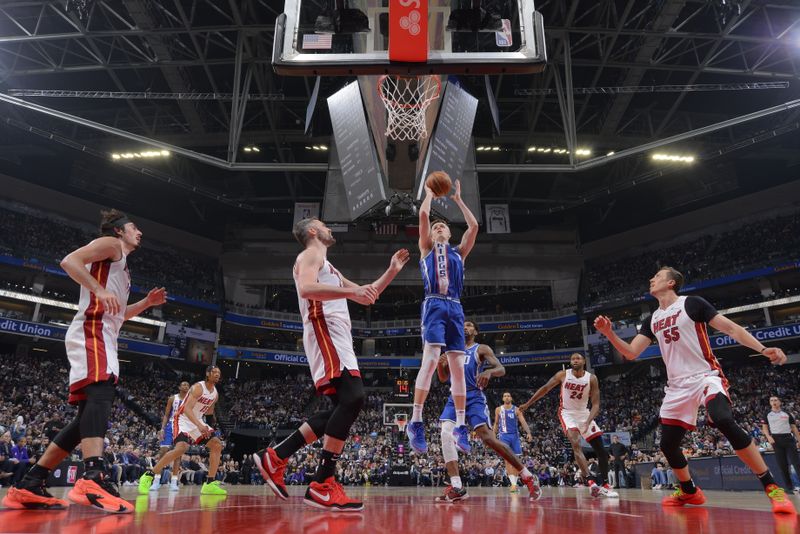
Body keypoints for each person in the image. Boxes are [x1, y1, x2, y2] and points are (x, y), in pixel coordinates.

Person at [593, 266, 796, 515]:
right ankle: (689, 491)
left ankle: (771, 487)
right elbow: (631, 353)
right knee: (668, 445)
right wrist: (609, 333)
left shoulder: (692, 304)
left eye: (656, 277)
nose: (651, 279)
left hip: (704, 376)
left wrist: (763, 349)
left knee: (722, 419)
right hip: (677, 386)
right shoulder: (652, 319)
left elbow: (731, 329)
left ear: (671, 283)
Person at [2, 209, 166, 513]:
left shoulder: (122, 263)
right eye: (134, 227)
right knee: (101, 393)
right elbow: (69, 261)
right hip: (92, 330)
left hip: (105, 334)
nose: (139, 232)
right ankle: (93, 477)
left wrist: (145, 303)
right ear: (119, 231)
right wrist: (99, 289)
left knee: (83, 422)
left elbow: (119, 313)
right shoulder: (110, 244)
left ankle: (29, 484)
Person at [252, 217, 409, 511]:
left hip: (338, 336)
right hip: (325, 330)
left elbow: (366, 295)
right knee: (354, 398)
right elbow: (308, 290)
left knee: (342, 406)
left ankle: (276, 457)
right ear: (313, 231)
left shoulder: (330, 267)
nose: (330, 229)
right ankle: (322, 482)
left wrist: (391, 272)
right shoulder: (309, 254)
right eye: (325, 226)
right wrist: (351, 292)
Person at [407, 178, 479, 455]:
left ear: (449, 234)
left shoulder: (459, 252)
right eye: (436, 227)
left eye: (443, 226)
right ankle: (416, 421)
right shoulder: (426, 248)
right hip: (434, 304)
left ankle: (462, 426)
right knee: (430, 359)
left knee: (458, 367)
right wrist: (427, 194)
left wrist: (459, 200)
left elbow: (473, 227)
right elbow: (424, 214)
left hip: (456, 307)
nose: (438, 227)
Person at [434, 321, 541, 503]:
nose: (465, 327)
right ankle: (457, 486)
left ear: (475, 331)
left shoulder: (480, 348)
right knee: (445, 432)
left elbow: (501, 368)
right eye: (463, 325)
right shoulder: (452, 350)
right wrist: (440, 364)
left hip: (474, 397)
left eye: (469, 325)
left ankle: (527, 475)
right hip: (454, 398)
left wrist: (489, 372)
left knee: (488, 439)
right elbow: (443, 378)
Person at [518, 352, 616, 498]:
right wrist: (528, 403)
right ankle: (591, 482)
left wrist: (588, 421)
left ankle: (606, 484)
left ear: (584, 361)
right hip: (567, 413)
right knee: (575, 443)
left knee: (601, 451)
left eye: (578, 358)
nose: (574, 360)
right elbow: (545, 389)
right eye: (572, 359)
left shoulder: (591, 378)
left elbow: (596, 404)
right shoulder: (563, 374)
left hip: (584, 413)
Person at [138, 366, 226, 496]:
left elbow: (209, 412)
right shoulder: (198, 388)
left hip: (197, 420)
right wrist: (200, 425)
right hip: (182, 419)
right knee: (181, 448)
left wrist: (208, 427)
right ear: (208, 374)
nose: (217, 374)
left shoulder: (215, 394)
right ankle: (149, 475)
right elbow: (186, 409)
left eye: (219, 372)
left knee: (217, 444)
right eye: (214, 372)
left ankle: (209, 483)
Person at [494, 392, 534, 493]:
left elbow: (523, 421)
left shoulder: (516, 409)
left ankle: (515, 482)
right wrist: (493, 435)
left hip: (515, 437)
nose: (507, 397)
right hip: (504, 436)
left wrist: (528, 432)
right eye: (505, 396)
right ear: (503, 398)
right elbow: (496, 423)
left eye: (508, 396)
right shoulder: (498, 409)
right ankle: (513, 484)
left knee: (516, 460)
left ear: (511, 398)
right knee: (507, 460)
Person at [761, 396, 800, 494]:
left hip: (789, 439)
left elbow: (794, 428)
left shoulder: (786, 414)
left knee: (796, 463)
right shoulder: (767, 414)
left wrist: (799, 440)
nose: (773, 402)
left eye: (775, 400)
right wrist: (768, 437)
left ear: (780, 402)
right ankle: (789, 487)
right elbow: (764, 428)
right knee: (783, 465)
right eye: (771, 400)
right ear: (770, 403)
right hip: (776, 441)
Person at [157, 381, 191, 491]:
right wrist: (162, 428)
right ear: (179, 387)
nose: (186, 386)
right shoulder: (172, 398)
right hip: (170, 426)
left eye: (187, 385)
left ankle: (174, 481)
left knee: (178, 453)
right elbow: (166, 415)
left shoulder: (191, 400)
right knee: (163, 451)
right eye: (184, 384)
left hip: (182, 428)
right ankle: (156, 479)